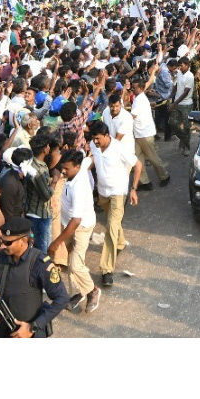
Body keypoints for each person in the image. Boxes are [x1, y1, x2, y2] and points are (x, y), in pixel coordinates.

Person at [87, 120, 141, 289]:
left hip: (119, 192)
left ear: (106, 135)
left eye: (98, 138)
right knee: (113, 223)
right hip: (103, 193)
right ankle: (120, 242)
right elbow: (92, 160)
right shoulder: (93, 145)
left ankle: (106, 270)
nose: (95, 142)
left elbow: (137, 165)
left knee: (111, 227)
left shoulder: (118, 147)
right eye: (93, 138)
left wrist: (133, 189)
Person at [49, 149, 98, 313]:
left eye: (67, 168)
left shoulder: (79, 188)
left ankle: (92, 291)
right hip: (67, 224)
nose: (63, 171)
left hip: (80, 227)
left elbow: (76, 221)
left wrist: (57, 242)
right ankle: (78, 292)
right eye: (62, 167)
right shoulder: (80, 167)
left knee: (76, 265)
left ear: (76, 167)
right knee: (73, 262)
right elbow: (89, 160)